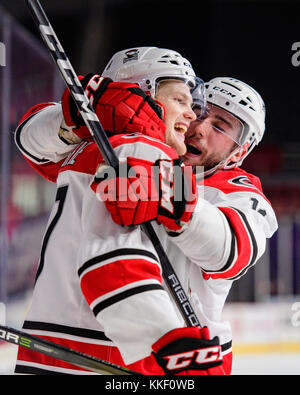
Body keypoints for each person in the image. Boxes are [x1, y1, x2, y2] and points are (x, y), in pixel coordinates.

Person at [13, 47, 224, 375]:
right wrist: (170, 339)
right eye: (180, 100)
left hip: (53, 346)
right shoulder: (136, 146)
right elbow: (112, 261)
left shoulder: (91, 148)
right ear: (142, 93)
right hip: (104, 354)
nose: (192, 115)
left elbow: (30, 138)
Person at [95, 74, 278, 375]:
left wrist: (171, 193)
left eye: (220, 126)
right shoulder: (142, 154)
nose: (200, 128)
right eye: (200, 111)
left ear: (240, 152)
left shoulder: (241, 193)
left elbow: (231, 251)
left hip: (187, 358)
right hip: (105, 346)